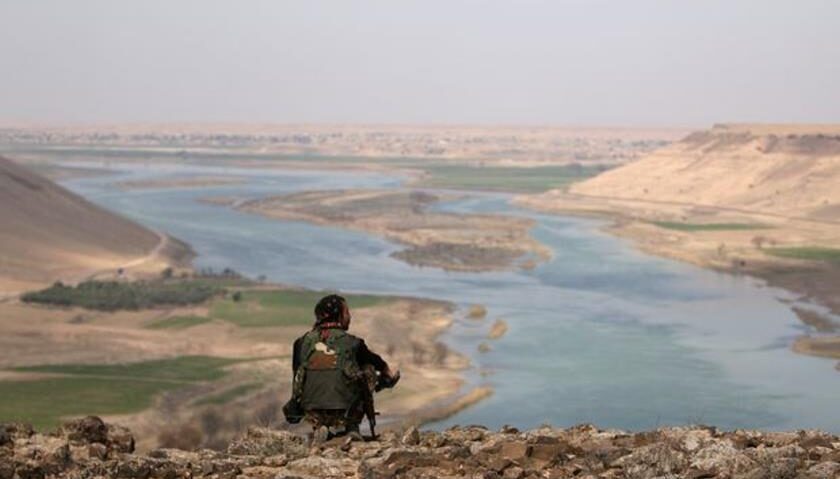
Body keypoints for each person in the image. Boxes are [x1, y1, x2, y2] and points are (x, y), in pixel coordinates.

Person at [285, 294, 399, 441]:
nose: (349, 316)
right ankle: (352, 427)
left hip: (311, 411)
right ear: (338, 316)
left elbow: (297, 378)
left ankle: (320, 427)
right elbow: (377, 363)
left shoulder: (300, 343)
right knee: (368, 370)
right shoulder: (353, 343)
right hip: (344, 411)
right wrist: (386, 375)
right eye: (346, 312)